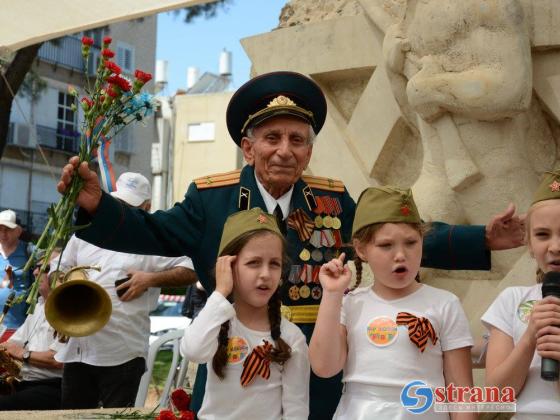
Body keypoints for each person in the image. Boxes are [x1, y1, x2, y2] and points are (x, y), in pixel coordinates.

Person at [57, 71, 523, 418]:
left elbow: (387, 234)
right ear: (248, 146)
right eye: (272, 137)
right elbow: (154, 232)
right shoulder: (212, 198)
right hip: (231, 361)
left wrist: (480, 237)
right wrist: (99, 207)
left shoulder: (331, 198)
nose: (285, 149)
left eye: (297, 139)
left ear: (309, 150)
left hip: (312, 364)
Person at [310, 186, 474, 419]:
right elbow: (324, 367)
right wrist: (332, 294)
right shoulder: (350, 304)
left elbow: (461, 393)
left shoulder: (444, 304)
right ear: (361, 250)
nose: (400, 254)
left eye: (411, 242)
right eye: (386, 245)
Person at [53, 172, 197, 409]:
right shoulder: (86, 233)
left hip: (123, 351)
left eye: (129, 206)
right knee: (72, 416)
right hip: (78, 349)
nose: (121, 211)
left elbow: (192, 267)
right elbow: (59, 268)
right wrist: (63, 310)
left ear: (147, 207)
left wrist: (150, 279)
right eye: (118, 203)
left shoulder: (152, 237)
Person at [182, 208, 309, 419]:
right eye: (253, 263)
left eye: (274, 264)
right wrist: (220, 292)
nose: (266, 274)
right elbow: (193, 351)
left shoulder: (291, 337)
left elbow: (296, 409)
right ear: (228, 267)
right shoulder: (216, 323)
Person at [482, 169, 560, 419]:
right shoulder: (513, 300)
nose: (555, 247)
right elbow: (496, 397)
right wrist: (529, 338)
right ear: (528, 243)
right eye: (542, 235)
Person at [0, 253, 64, 410]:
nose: (36, 272)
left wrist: (24, 354)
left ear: (62, 274)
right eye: (36, 267)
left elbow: (58, 361)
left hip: (52, 387)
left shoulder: (68, 310)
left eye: (45, 268)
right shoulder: (38, 307)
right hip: (26, 383)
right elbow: (11, 344)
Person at [0, 209, 33, 336]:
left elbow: (53, 257)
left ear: (18, 231)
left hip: (18, 327)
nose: (3, 234)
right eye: (0, 229)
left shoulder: (29, 251)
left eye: (7, 229)